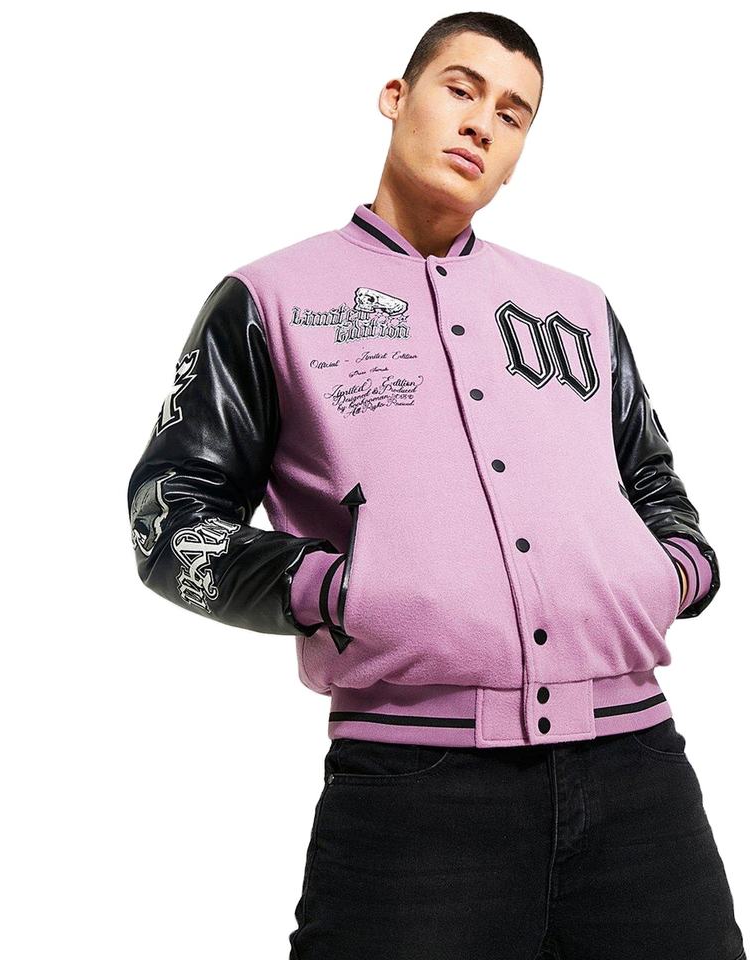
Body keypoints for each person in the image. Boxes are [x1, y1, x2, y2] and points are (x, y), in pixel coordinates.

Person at [126, 11, 744, 959]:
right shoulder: (271, 300)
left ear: (518, 155)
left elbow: (654, 481)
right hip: (414, 795)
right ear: (395, 96)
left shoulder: (578, 308)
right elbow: (169, 522)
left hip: (640, 777)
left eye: (513, 113)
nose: (481, 123)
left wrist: (675, 573)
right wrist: (334, 590)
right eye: (461, 88)